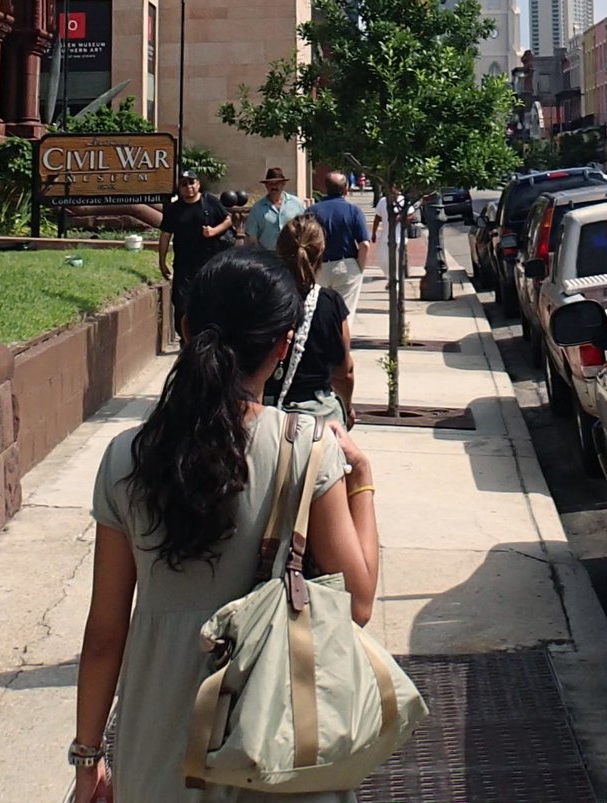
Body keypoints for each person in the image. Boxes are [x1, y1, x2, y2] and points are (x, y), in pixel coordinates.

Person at [72, 248, 381, 803]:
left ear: (186, 329)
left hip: (157, 741)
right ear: (283, 347)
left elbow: (104, 633)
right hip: (275, 746)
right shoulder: (306, 450)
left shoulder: (126, 458)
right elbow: (357, 602)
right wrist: (361, 481)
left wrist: (88, 757)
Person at [271, 214, 355, 425]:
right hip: (317, 411)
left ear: (278, 250)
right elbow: (344, 372)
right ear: (320, 252)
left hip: (268, 411)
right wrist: (347, 407)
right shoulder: (329, 302)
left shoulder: (262, 295)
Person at [157, 169, 231, 336]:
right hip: (184, 266)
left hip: (210, 264)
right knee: (182, 305)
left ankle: (208, 336)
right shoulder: (174, 209)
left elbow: (227, 220)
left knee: (210, 302)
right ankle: (185, 339)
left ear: (198, 184)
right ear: (179, 187)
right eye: (184, 184)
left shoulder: (210, 202)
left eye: (192, 182)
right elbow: (165, 235)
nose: (188, 187)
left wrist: (214, 231)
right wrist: (162, 261)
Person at [310, 169, 372, 314]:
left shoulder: (312, 211)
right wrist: (359, 268)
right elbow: (364, 244)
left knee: (319, 314)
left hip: (319, 266)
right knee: (344, 315)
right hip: (346, 265)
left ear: (325, 188)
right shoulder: (353, 211)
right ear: (346, 189)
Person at [245, 166, 307, 252]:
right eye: (271, 184)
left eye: (277, 183)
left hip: (293, 255)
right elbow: (252, 239)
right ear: (266, 186)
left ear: (283, 184)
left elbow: (306, 229)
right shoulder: (257, 209)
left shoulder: (296, 203)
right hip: (268, 259)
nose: (274, 186)